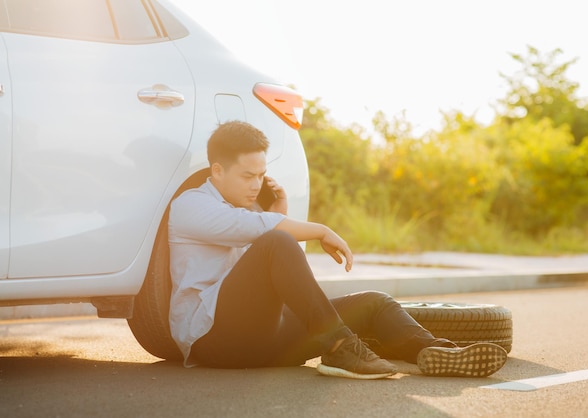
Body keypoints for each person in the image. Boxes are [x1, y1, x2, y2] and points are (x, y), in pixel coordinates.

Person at [168, 120, 507, 379]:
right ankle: (340, 347)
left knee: (374, 303)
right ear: (217, 170)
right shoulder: (191, 206)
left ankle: (436, 352)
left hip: (264, 342)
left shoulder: (253, 212)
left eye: (261, 175)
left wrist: (278, 209)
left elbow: (275, 271)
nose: (256, 185)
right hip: (214, 341)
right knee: (277, 240)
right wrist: (321, 230)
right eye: (247, 176)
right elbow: (265, 236)